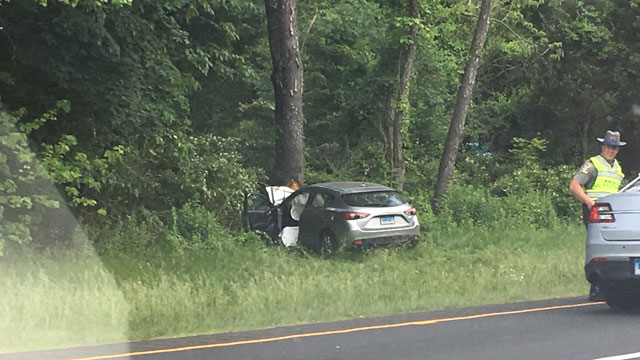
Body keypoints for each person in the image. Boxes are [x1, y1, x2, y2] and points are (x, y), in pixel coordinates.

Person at [569, 130, 626, 301]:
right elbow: (574, 185)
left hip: (612, 212)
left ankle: (611, 287)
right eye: (609, 146)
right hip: (595, 211)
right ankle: (596, 286)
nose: (612, 150)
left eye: (615, 148)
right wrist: (588, 201)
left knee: (614, 249)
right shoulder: (593, 164)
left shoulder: (617, 168)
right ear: (603, 146)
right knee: (598, 248)